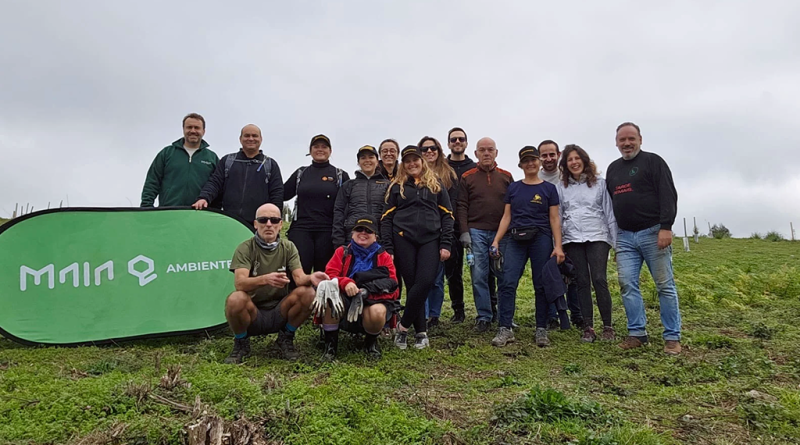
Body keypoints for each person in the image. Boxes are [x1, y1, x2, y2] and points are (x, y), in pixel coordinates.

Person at [606, 122, 682, 355]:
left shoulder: (653, 162)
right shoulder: (613, 169)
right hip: (625, 237)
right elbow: (610, 204)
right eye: (622, 140)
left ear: (640, 139)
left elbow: (668, 194)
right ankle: (637, 333)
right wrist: (614, 241)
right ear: (616, 142)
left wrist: (666, 227)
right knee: (627, 284)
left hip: (653, 232)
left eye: (631, 138)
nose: (627, 143)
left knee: (664, 285)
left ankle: (672, 337)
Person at [223, 204, 329, 364]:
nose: (268, 224)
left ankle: (286, 337)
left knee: (308, 293)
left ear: (280, 224)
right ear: (255, 224)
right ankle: (241, 343)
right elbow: (240, 284)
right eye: (263, 220)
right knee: (235, 299)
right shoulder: (245, 248)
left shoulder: (288, 247)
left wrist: (312, 278)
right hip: (253, 313)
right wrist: (265, 279)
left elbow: (299, 278)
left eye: (274, 220)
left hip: (280, 311)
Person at [381, 145, 454, 350]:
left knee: (425, 282)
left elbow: (448, 216)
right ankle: (421, 332)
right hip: (403, 239)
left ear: (422, 161)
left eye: (415, 160)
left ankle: (403, 327)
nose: (412, 164)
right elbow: (386, 219)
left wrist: (446, 243)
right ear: (403, 164)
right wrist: (389, 247)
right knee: (412, 284)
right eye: (408, 161)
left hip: (430, 239)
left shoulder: (436, 184)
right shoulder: (397, 187)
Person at [492, 146, 566, 348]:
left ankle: (541, 328)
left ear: (539, 162)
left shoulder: (549, 189)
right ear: (521, 165)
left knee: (541, 283)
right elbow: (507, 216)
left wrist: (558, 246)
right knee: (507, 281)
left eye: (534, 160)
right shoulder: (514, 188)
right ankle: (505, 328)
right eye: (526, 161)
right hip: (516, 238)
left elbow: (554, 219)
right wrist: (496, 240)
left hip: (540, 237)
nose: (530, 164)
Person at [556, 144, 617, 343]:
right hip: (573, 238)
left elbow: (609, 212)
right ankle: (588, 327)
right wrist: (558, 243)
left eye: (577, 158)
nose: (574, 163)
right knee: (581, 281)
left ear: (584, 160)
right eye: (569, 160)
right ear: (565, 165)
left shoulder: (600, 184)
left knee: (599, 279)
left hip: (598, 236)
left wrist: (616, 244)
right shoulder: (561, 187)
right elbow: (558, 216)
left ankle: (607, 326)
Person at [456, 137, 515, 340]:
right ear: (476, 154)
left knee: (503, 275)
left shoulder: (507, 177)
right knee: (479, 275)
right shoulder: (467, 177)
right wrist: (464, 232)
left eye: (490, 149)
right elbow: (461, 205)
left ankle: (505, 316)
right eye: (482, 150)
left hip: (502, 233)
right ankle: (484, 316)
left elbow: (513, 206)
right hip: (476, 232)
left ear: (496, 153)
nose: (486, 153)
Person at [320, 216, 399, 360]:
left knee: (378, 311)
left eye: (368, 231)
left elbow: (393, 286)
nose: (363, 233)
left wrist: (366, 292)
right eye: (359, 229)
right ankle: (330, 346)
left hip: (372, 301)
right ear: (352, 233)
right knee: (329, 298)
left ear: (375, 237)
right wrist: (346, 283)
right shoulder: (341, 252)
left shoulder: (384, 256)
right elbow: (329, 276)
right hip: (344, 300)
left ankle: (371, 343)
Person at [283, 134, 351, 274]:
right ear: (310, 150)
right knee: (299, 274)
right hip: (301, 230)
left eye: (324, 147)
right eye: (316, 146)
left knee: (326, 276)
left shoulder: (340, 175)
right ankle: (299, 296)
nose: (320, 149)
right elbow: (281, 194)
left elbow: (348, 205)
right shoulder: (301, 173)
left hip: (328, 231)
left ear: (330, 151)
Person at [192, 124, 284, 223]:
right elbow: (215, 182)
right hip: (229, 221)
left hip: (259, 224)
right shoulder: (227, 161)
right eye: (247, 135)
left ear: (261, 139)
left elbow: (277, 194)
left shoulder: (270, 165)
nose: (251, 138)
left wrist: (275, 219)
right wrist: (204, 198)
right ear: (240, 139)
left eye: (254, 136)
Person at [539, 140, 583, 329]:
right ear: (539, 158)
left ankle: (577, 315)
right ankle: (552, 316)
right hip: (545, 233)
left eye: (552, 154)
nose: (549, 159)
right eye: (544, 155)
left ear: (558, 155)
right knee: (549, 274)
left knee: (572, 274)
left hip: (569, 232)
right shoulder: (536, 177)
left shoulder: (567, 177)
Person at [418, 136, 458, 329]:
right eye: (424, 149)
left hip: (440, 232)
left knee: (437, 278)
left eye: (433, 148)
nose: (429, 152)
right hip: (418, 233)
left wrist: (447, 237)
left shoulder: (448, 174)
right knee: (422, 276)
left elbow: (450, 208)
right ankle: (422, 313)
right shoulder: (413, 175)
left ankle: (434, 314)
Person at [141, 113, 218, 207]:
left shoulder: (212, 158)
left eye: (197, 128)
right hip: (169, 212)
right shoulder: (167, 153)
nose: (193, 131)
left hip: (199, 215)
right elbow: (152, 182)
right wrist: (146, 207)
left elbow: (216, 187)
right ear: (183, 129)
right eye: (189, 127)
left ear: (203, 131)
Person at [444, 127, 478, 324]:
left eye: (461, 139)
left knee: (481, 270)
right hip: (449, 227)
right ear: (448, 144)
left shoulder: (474, 167)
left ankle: (489, 308)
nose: (457, 142)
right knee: (453, 271)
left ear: (466, 143)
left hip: (472, 225)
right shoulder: (443, 167)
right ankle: (458, 310)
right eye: (453, 139)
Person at [332, 145, 390, 247]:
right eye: (363, 158)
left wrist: (389, 243)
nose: (367, 160)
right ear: (358, 162)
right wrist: (338, 241)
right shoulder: (348, 185)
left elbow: (391, 214)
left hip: (379, 239)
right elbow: (339, 212)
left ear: (377, 161)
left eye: (371, 157)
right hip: (352, 238)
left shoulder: (387, 185)